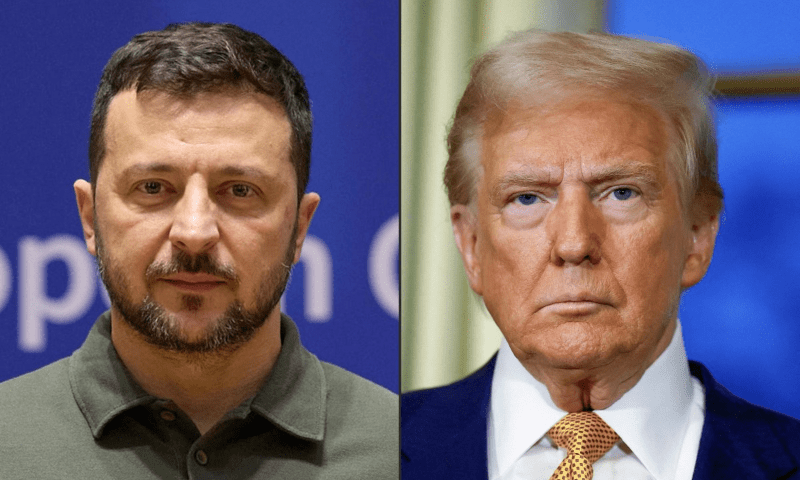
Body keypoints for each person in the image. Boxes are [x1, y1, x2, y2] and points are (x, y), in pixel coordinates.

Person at [0, 22, 397, 479]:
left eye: (240, 191)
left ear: (300, 226)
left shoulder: (399, 450)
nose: (194, 231)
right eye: (152, 187)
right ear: (89, 218)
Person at [401, 30, 800, 480]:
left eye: (621, 193)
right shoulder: (376, 450)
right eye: (528, 199)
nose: (573, 245)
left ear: (697, 234)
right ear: (472, 244)